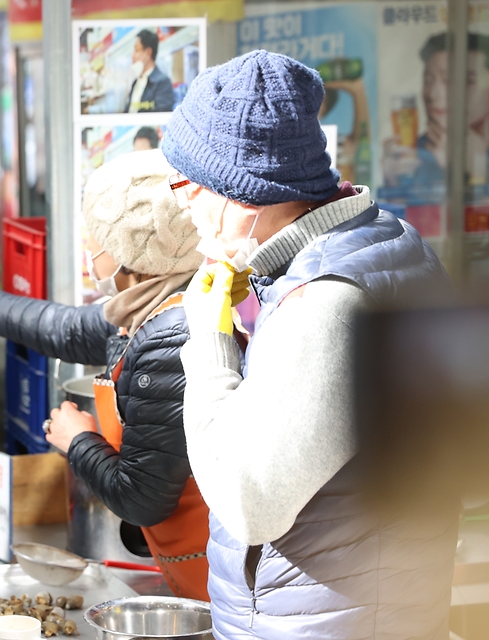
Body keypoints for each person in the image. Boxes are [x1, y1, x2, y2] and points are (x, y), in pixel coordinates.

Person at [161, 50, 459, 637]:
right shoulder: (383, 238)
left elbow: (251, 502)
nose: (183, 207)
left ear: (242, 192)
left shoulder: (328, 300)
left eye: (186, 186)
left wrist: (212, 339)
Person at [0, 149, 213, 600]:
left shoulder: (170, 340)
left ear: (129, 254)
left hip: (205, 571)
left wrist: (77, 439)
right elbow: (69, 329)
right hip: (180, 561)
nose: (89, 253)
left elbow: (142, 499)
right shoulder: (149, 304)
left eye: (95, 241)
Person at [382, 32, 489, 190]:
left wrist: (473, 169)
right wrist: (393, 184)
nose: (433, 94)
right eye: (428, 81)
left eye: (463, 81)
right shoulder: (415, 153)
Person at [125, 29, 174, 113]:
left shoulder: (163, 83)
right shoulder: (136, 82)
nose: (132, 56)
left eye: (137, 50)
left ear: (148, 53)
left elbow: (160, 115)